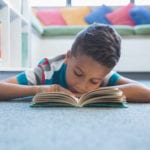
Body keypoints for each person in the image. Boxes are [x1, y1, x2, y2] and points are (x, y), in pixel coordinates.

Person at [0, 23, 150, 102]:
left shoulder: (100, 72)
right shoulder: (46, 70)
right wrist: (38, 89)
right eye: (78, 73)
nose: (82, 86)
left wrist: (95, 93)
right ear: (68, 56)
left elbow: (145, 91)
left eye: (94, 81)